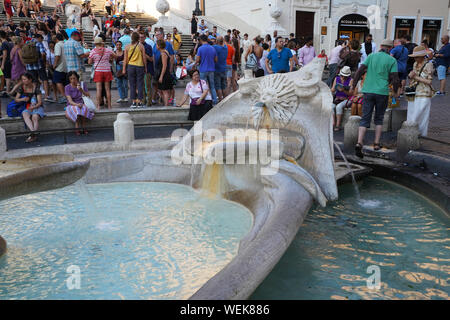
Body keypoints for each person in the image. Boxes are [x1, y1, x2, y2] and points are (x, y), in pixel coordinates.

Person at [352, 39, 400, 158]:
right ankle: (376, 143)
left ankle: (359, 142)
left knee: (365, 117)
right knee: (379, 118)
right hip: (382, 92)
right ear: (389, 49)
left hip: (368, 90)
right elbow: (395, 78)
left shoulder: (371, 56)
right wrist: (395, 92)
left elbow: (359, 71)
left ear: (381, 46)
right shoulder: (392, 60)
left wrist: (353, 85)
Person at [406, 46, 435, 137]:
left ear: (423, 56)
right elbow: (413, 77)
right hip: (414, 92)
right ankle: (410, 133)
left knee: (420, 114)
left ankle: (421, 134)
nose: (415, 58)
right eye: (414, 57)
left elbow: (429, 81)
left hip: (424, 93)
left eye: (417, 56)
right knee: (411, 114)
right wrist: (410, 77)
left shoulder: (428, 65)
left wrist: (415, 77)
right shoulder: (415, 64)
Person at [16, 72, 45, 143]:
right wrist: (23, 99)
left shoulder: (36, 88)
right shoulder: (22, 87)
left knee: (34, 117)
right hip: (28, 107)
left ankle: (32, 135)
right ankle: (33, 133)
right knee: (24, 114)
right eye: (22, 79)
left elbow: (40, 102)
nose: (23, 81)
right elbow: (16, 99)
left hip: (37, 107)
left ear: (30, 80)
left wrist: (34, 107)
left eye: (25, 79)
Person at [88, 37, 115, 110]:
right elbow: (115, 56)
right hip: (107, 71)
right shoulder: (108, 50)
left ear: (95, 43)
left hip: (98, 71)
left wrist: (94, 60)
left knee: (99, 89)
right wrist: (110, 59)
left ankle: (98, 106)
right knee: (107, 89)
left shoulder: (93, 51)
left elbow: (89, 62)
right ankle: (109, 105)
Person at [65, 71, 94, 135]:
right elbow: (70, 101)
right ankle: (77, 127)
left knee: (83, 109)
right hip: (72, 105)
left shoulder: (82, 84)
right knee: (77, 111)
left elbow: (88, 95)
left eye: (74, 78)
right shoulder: (67, 87)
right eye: (71, 79)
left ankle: (84, 127)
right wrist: (77, 104)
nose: (73, 80)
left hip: (82, 103)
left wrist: (81, 90)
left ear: (77, 78)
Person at [123, 32, 146, 108]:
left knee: (132, 84)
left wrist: (124, 69)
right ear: (138, 38)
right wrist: (145, 67)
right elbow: (144, 58)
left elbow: (125, 59)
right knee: (140, 84)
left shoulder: (127, 47)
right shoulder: (141, 46)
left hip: (131, 66)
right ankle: (139, 102)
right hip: (140, 66)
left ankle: (133, 102)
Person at [195, 34, 218, 105]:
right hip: (211, 69)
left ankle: (204, 100)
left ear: (201, 40)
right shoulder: (212, 48)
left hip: (203, 69)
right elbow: (216, 60)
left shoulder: (200, 48)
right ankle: (215, 101)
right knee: (212, 86)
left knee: (203, 87)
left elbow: (197, 60)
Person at [331, 66, 354, 131]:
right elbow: (332, 89)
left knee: (339, 107)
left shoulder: (351, 80)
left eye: (345, 76)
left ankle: (338, 125)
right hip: (337, 98)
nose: (343, 77)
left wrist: (343, 90)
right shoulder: (337, 78)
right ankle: (333, 123)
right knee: (331, 106)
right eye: (342, 75)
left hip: (346, 99)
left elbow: (351, 93)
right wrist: (333, 89)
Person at [154, 39, 172, 106]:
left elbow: (164, 66)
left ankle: (166, 105)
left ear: (159, 46)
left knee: (164, 91)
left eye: (156, 45)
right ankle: (165, 103)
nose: (156, 46)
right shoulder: (166, 51)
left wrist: (161, 76)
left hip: (164, 74)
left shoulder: (163, 54)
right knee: (162, 90)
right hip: (165, 73)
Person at [140, 32, 154, 107]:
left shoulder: (148, 47)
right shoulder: (138, 46)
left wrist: (143, 52)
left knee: (147, 86)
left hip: (148, 69)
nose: (140, 39)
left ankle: (149, 102)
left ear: (145, 38)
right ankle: (143, 101)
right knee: (142, 86)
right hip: (140, 68)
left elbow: (151, 59)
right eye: (139, 37)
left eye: (142, 37)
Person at [213, 36, 228, 102]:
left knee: (218, 86)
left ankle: (220, 100)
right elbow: (224, 44)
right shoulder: (226, 48)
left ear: (217, 41)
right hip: (224, 68)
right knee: (224, 85)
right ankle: (225, 99)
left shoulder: (216, 47)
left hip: (217, 69)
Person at [0, 31, 12, 95]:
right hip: (9, 61)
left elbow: (5, 54)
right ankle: (9, 90)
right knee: (8, 76)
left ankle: (7, 91)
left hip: (6, 61)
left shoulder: (4, 43)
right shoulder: (7, 42)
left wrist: (2, 64)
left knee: (7, 77)